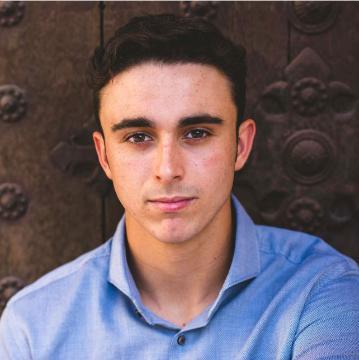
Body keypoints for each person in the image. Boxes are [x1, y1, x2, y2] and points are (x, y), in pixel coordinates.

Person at [0, 13, 358, 360]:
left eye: (197, 133)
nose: (168, 169)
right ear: (104, 155)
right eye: (138, 137)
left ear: (241, 145)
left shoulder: (321, 289)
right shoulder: (33, 325)